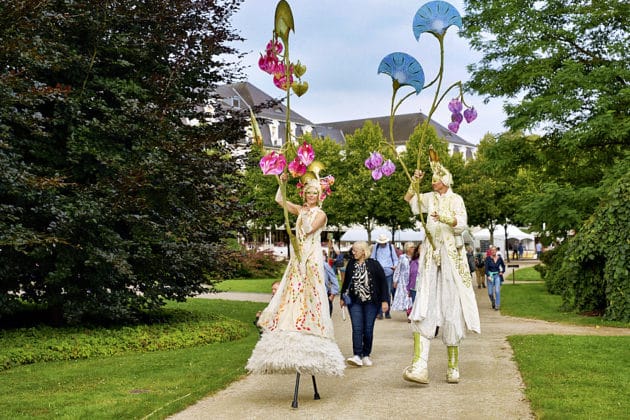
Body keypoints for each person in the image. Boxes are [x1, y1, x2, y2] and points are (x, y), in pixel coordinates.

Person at [246, 175, 345, 377]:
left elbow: (309, 230)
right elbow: (279, 201)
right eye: (308, 192)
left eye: (314, 193)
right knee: (292, 289)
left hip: (311, 256)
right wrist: (282, 183)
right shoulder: (301, 210)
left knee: (310, 289)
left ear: (319, 196)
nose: (310, 196)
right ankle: (292, 321)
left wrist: (303, 215)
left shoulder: (321, 214)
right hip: (298, 257)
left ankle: (309, 322)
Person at [402, 156, 480, 384]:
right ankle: (419, 365)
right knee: (424, 303)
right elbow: (409, 200)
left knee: (451, 305)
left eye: (436, 179)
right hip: (430, 257)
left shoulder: (456, 199)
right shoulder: (429, 198)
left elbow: (462, 223)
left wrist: (443, 217)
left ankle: (453, 366)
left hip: (451, 258)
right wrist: (414, 181)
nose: (433, 183)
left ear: (445, 180)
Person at [339, 241, 389, 367]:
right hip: (354, 301)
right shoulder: (351, 264)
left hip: (371, 302)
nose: (353, 252)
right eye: (353, 250)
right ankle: (357, 355)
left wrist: (385, 300)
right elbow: (346, 283)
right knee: (357, 328)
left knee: (368, 329)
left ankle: (366, 354)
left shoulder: (374, 264)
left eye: (356, 250)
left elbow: (383, 283)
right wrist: (342, 297)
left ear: (363, 251)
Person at [370, 234, 398, 319]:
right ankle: (380, 312)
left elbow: (395, 258)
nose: (382, 244)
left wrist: (395, 266)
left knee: (388, 292)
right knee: (378, 292)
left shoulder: (390, 247)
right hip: (378, 272)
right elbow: (373, 257)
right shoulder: (376, 246)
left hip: (388, 271)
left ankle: (387, 312)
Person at [391, 242, 414, 313]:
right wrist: (395, 280)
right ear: (407, 249)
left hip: (412, 279)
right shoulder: (402, 257)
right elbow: (398, 269)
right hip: (403, 280)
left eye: (413, 247)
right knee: (405, 294)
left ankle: (410, 310)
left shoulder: (415, 257)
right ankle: (408, 310)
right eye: (411, 247)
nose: (413, 249)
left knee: (411, 294)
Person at [485, 246, 506, 310]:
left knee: (497, 291)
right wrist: (488, 275)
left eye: (494, 250)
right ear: (490, 251)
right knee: (490, 293)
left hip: (497, 276)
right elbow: (486, 268)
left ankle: (497, 305)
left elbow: (503, 266)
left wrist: (502, 272)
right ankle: (493, 301)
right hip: (490, 276)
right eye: (492, 250)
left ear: (496, 251)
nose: (493, 251)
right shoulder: (488, 259)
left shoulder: (499, 258)